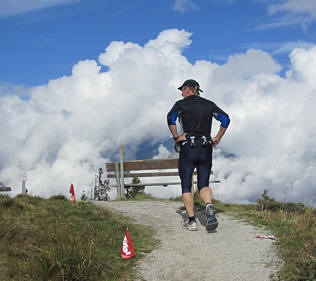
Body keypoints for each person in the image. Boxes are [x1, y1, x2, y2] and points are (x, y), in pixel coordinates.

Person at [167, 79, 230, 231]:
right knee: (203, 185)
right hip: (206, 147)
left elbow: (170, 118)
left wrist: (177, 137)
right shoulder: (209, 104)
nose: (181, 93)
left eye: (182, 90)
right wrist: (217, 138)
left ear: (188, 89)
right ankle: (208, 205)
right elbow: (225, 119)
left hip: (188, 146)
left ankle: (192, 221)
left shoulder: (180, 105)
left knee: (186, 185)